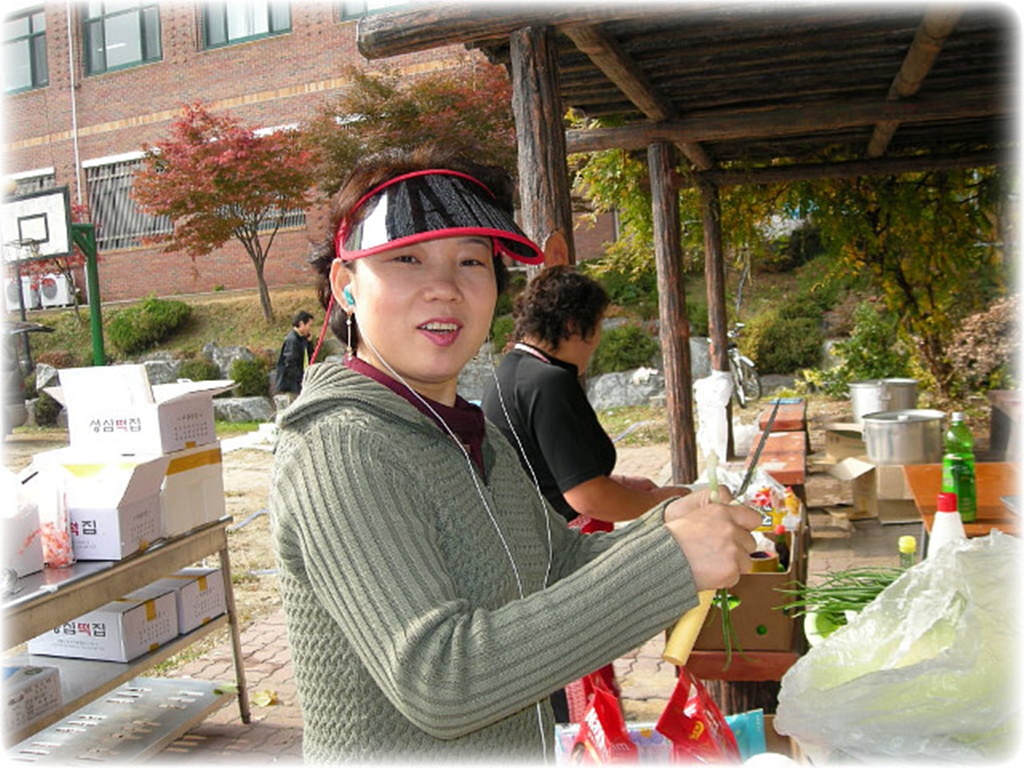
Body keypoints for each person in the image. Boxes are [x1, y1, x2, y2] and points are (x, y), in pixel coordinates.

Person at [268, 145, 760, 762]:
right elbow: (441, 680)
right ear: (346, 287)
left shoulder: (473, 433)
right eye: (407, 258)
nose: (445, 288)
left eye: (471, 261)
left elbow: (558, 564)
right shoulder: (340, 448)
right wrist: (670, 564)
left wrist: (667, 523)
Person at [480, 265, 693, 723]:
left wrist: (622, 486)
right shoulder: (550, 383)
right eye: (596, 328)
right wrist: (663, 502)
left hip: (530, 552)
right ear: (576, 326)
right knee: (580, 698)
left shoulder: (509, 372)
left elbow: (548, 469)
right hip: (560, 555)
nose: (595, 344)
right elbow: (586, 497)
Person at [274, 310, 314, 396]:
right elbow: (290, 363)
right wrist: (301, 378)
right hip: (293, 384)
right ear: (301, 324)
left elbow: (309, 355)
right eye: (309, 325)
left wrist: (309, 342)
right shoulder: (292, 340)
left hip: (299, 381)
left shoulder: (301, 338)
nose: (310, 329)